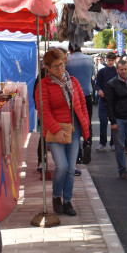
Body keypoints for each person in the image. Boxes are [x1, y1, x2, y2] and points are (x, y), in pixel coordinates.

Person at [36, 47, 90, 217]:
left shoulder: (73, 81)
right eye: (56, 66)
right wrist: (56, 130)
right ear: (48, 68)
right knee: (62, 166)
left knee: (70, 168)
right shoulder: (43, 85)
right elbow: (44, 111)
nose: (61, 68)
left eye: (62, 64)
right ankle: (56, 197)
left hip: (74, 130)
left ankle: (67, 200)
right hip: (56, 131)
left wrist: (87, 128)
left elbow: (82, 106)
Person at [65, 44, 94, 165]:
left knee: (75, 123)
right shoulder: (89, 59)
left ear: (69, 49)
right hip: (87, 93)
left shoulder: (68, 60)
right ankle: (87, 142)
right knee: (87, 121)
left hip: (73, 95)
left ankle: (78, 153)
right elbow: (93, 74)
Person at [95, 52, 118, 152]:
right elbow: (97, 84)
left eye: (112, 61)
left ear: (114, 61)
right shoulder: (101, 71)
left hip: (114, 101)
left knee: (114, 122)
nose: (110, 62)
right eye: (109, 60)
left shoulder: (117, 72)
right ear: (106, 60)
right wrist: (99, 90)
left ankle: (113, 143)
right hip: (103, 101)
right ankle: (102, 143)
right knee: (103, 122)